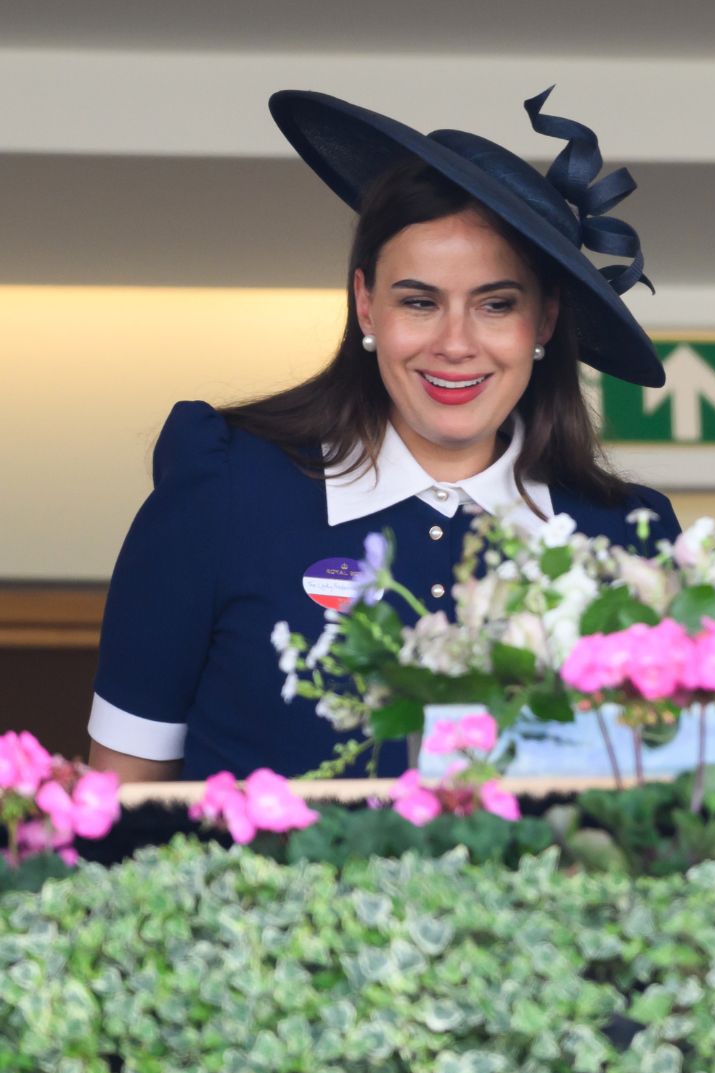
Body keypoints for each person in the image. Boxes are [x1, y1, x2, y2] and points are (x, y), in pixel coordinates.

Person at [87, 88, 680, 782]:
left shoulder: (629, 541)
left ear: (544, 322)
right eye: (419, 302)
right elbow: (117, 800)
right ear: (367, 305)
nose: (455, 344)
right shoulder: (223, 494)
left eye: (496, 304)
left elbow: (672, 799)